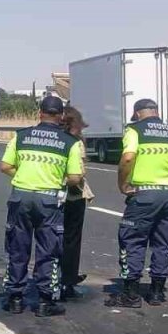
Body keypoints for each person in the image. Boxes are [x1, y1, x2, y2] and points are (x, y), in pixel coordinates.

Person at [0, 96, 84, 317]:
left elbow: (5, 166)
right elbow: (75, 176)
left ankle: (15, 298)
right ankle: (46, 301)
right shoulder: (70, 142)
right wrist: (59, 181)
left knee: (18, 248)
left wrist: (24, 178)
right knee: (48, 251)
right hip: (49, 200)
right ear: (61, 115)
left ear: (40, 113)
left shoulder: (21, 136)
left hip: (21, 196)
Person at [112, 99, 168, 308]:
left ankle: (131, 294)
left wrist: (122, 184)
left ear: (137, 113)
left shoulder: (135, 130)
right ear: (156, 112)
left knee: (133, 240)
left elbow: (128, 158)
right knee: (163, 243)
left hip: (144, 194)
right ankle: (157, 292)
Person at [60, 106, 94, 299]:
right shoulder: (75, 143)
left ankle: (51, 277)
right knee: (71, 240)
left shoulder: (52, 140)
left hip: (47, 194)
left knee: (50, 238)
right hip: (71, 196)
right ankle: (68, 281)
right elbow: (78, 173)